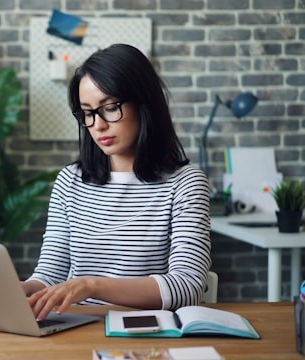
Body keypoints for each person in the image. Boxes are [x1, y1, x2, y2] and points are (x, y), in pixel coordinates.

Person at [22, 43, 211, 321]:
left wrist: (91, 285)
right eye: (87, 112)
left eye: (110, 108)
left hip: (147, 332)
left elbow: (188, 286)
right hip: (76, 329)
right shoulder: (70, 181)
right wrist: (20, 290)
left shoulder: (185, 184)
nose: (98, 125)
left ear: (144, 104)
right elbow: (50, 275)